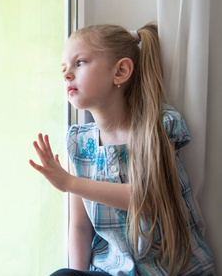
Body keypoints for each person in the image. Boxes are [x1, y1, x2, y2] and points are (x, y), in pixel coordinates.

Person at [29, 23, 215, 276]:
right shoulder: (79, 143)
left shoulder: (157, 126)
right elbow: (81, 228)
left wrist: (70, 182)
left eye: (80, 63)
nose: (67, 75)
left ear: (121, 71)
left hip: (170, 270)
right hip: (113, 270)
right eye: (64, 69)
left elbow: (148, 199)